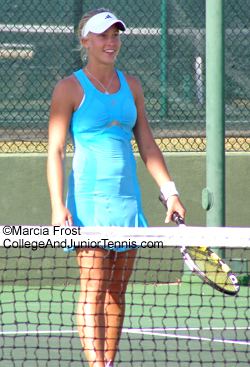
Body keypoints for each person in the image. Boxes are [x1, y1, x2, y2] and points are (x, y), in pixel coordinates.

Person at [47, 8, 185, 367]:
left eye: (116, 35)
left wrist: (170, 191)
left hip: (127, 203)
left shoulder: (133, 86)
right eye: (103, 35)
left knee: (116, 293)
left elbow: (148, 144)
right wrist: (57, 205)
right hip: (89, 204)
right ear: (85, 40)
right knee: (92, 290)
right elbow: (56, 150)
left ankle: (108, 361)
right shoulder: (68, 88)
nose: (111, 42)